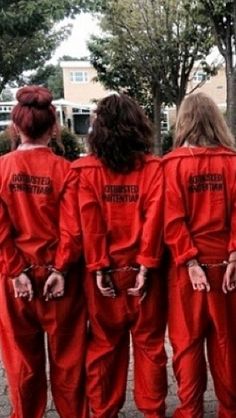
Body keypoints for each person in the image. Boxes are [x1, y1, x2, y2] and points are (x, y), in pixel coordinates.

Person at [71, 93, 167, 418]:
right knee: (150, 346)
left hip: (104, 278)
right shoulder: (155, 168)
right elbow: (155, 217)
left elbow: (89, 221)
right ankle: (152, 411)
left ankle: (104, 411)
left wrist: (99, 267)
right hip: (145, 275)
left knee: (103, 347)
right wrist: (146, 264)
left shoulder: (83, 171)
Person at [0, 86, 88, 418]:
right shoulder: (66, 171)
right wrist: (60, 270)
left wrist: (15, 271)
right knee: (69, 364)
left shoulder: (2, 169)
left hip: (15, 283)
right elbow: (73, 230)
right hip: (60, 282)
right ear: (53, 127)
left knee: (22, 366)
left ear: (15, 126)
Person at [163, 92, 236, 418]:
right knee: (227, 343)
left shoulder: (170, 165)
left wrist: (189, 261)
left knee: (187, 343)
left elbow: (171, 218)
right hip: (227, 268)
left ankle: (189, 410)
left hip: (185, 272)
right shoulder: (233, 162)